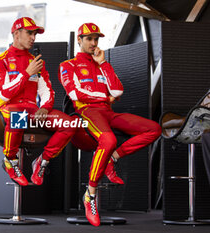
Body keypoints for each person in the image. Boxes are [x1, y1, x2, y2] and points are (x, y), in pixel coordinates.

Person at [58, 23, 161, 226]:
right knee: (109, 138)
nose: (93, 43)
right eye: (89, 38)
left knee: (154, 129)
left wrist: (103, 64)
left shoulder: (102, 63)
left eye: (96, 39)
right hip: (86, 112)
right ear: (79, 40)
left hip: (108, 112)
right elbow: (75, 94)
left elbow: (118, 91)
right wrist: (102, 96)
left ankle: (113, 157)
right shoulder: (67, 65)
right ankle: (91, 194)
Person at [0, 17, 76, 186]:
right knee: (18, 115)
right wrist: (26, 73)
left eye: (35, 34)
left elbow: (47, 91)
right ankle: (10, 160)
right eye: (29, 33)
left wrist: (44, 107)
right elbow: (4, 94)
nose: (33, 38)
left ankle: (42, 161)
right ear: (16, 34)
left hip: (33, 110)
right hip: (9, 109)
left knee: (70, 124)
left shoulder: (37, 63)